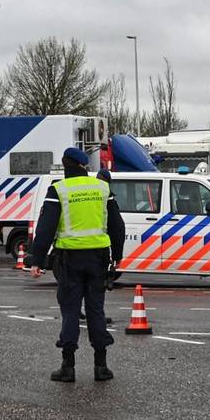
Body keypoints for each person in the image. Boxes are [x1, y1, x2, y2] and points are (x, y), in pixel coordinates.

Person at [28, 146, 126, 383]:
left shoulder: (58, 190)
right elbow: (117, 224)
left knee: (71, 311)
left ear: (65, 165)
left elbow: (46, 227)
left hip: (70, 259)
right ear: (84, 166)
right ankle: (101, 366)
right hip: (98, 258)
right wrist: (117, 255)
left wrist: (37, 260)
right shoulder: (102, 188)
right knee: (96, 310)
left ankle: (68, 367)